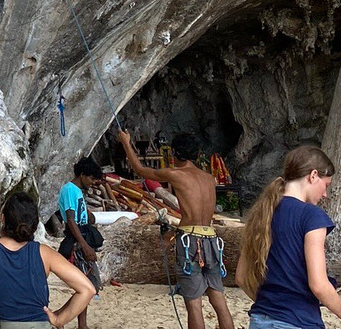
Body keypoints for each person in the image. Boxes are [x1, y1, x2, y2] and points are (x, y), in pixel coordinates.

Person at [118, 130, 235, 329]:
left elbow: (139, 169)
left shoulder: (174, 174)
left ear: (174, 153)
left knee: (194, 303)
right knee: (218, 299)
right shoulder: (209, 179)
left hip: (189, 242)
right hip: (212, 240)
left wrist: (126, 143)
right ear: (197, 154)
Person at [0, 192, 96, 329]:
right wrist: (58, 319)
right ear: (35, 225)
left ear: (2, 219)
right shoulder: (44, 253)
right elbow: (87, 289)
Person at [236, 145, 341, 329]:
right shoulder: (312, 216)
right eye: (326, 185)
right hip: (299, 321)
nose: (325, 194)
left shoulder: (261, 212)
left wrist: (272, 305)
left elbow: (241, 278)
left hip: (260, 319)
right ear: (313, 175)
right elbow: (319, 284)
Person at [57, 157, 105, 329]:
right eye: (91, 179)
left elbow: (86, 217)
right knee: (88, 285)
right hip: (78, 243)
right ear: (82, 175)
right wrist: (84, 246)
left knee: (88, 285)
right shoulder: (70, 190)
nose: (92, 183)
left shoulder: (77, 192)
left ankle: (78, 322)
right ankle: (62, 317)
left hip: (82, 237)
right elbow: (71, 219)